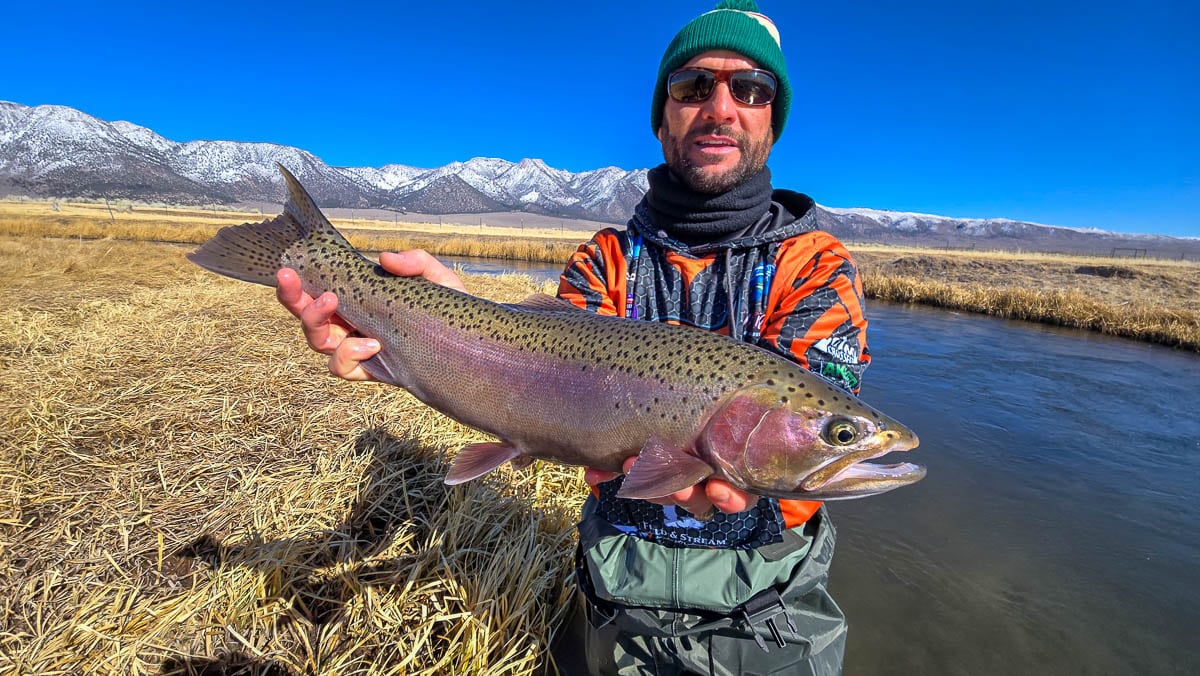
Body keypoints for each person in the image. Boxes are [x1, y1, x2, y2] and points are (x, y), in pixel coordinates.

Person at [277, 2, 869, 673]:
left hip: (767, 607)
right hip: (614, 589)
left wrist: (798, 447)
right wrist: (448, 322)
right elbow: (542, 368)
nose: (721, 107)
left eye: (751, 89)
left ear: (772, 119)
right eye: (692, 86)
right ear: (661, 114)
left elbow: (816, 406)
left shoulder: (818, 266)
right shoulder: (604, 259)